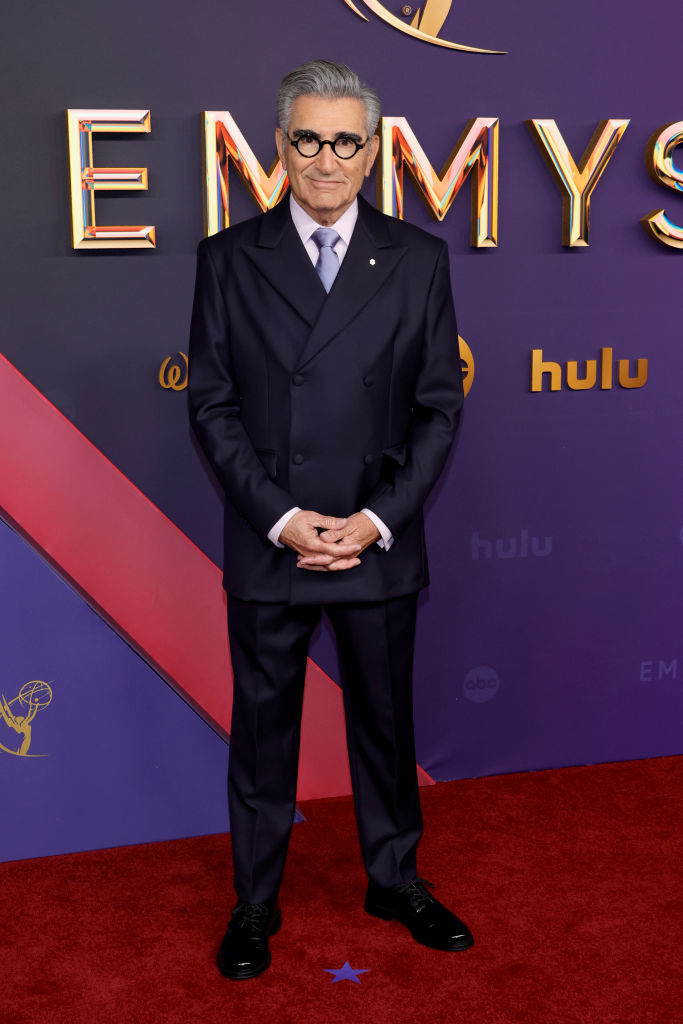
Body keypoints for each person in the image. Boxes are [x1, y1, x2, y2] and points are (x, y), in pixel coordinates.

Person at [188, 59, 471, 980]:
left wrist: (375, 520)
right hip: (274, 540)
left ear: (371, 151)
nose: (324, 159)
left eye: (344, 140)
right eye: (306, 138)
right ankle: (255, 901)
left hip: (373, 539)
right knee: (264, 728)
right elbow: (212, 406)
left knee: (385, 724)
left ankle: (394, 880)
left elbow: (438, 408)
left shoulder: (418, 257)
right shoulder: (229, 258)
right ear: (280, 146)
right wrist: (279, 518)